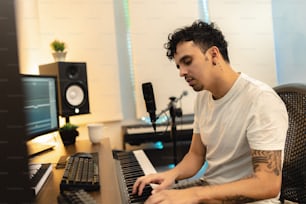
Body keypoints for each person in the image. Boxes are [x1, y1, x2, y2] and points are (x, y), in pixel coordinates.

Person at [132, 20, 288, 203]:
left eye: (187, 61)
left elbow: (267, 184)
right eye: (178, 66)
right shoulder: (203, 97)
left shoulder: (260, 99)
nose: (181, 72)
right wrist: (170, 175)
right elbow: (196, 155)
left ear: (214, 55)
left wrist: (193, 194)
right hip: (210, 192)